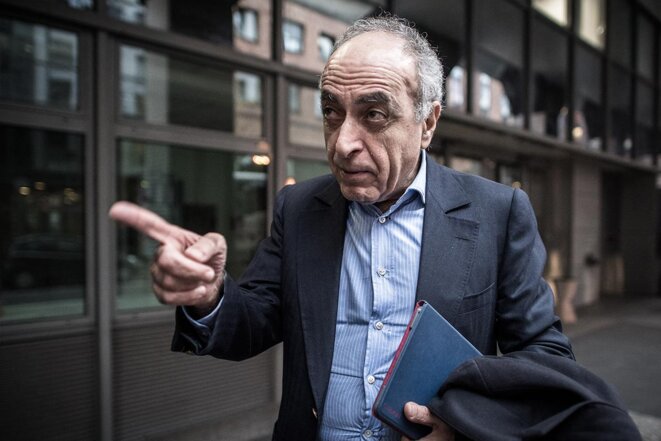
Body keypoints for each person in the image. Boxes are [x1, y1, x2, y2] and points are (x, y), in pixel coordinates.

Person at [109, 15, 574, 441]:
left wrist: (468, 426)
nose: (343, 142)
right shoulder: (299, 207)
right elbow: (252, 322)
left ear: (427, 122)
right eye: (332, 111)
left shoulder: (497, 212)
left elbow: (544, 360)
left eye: (374, 114)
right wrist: (209, 293)